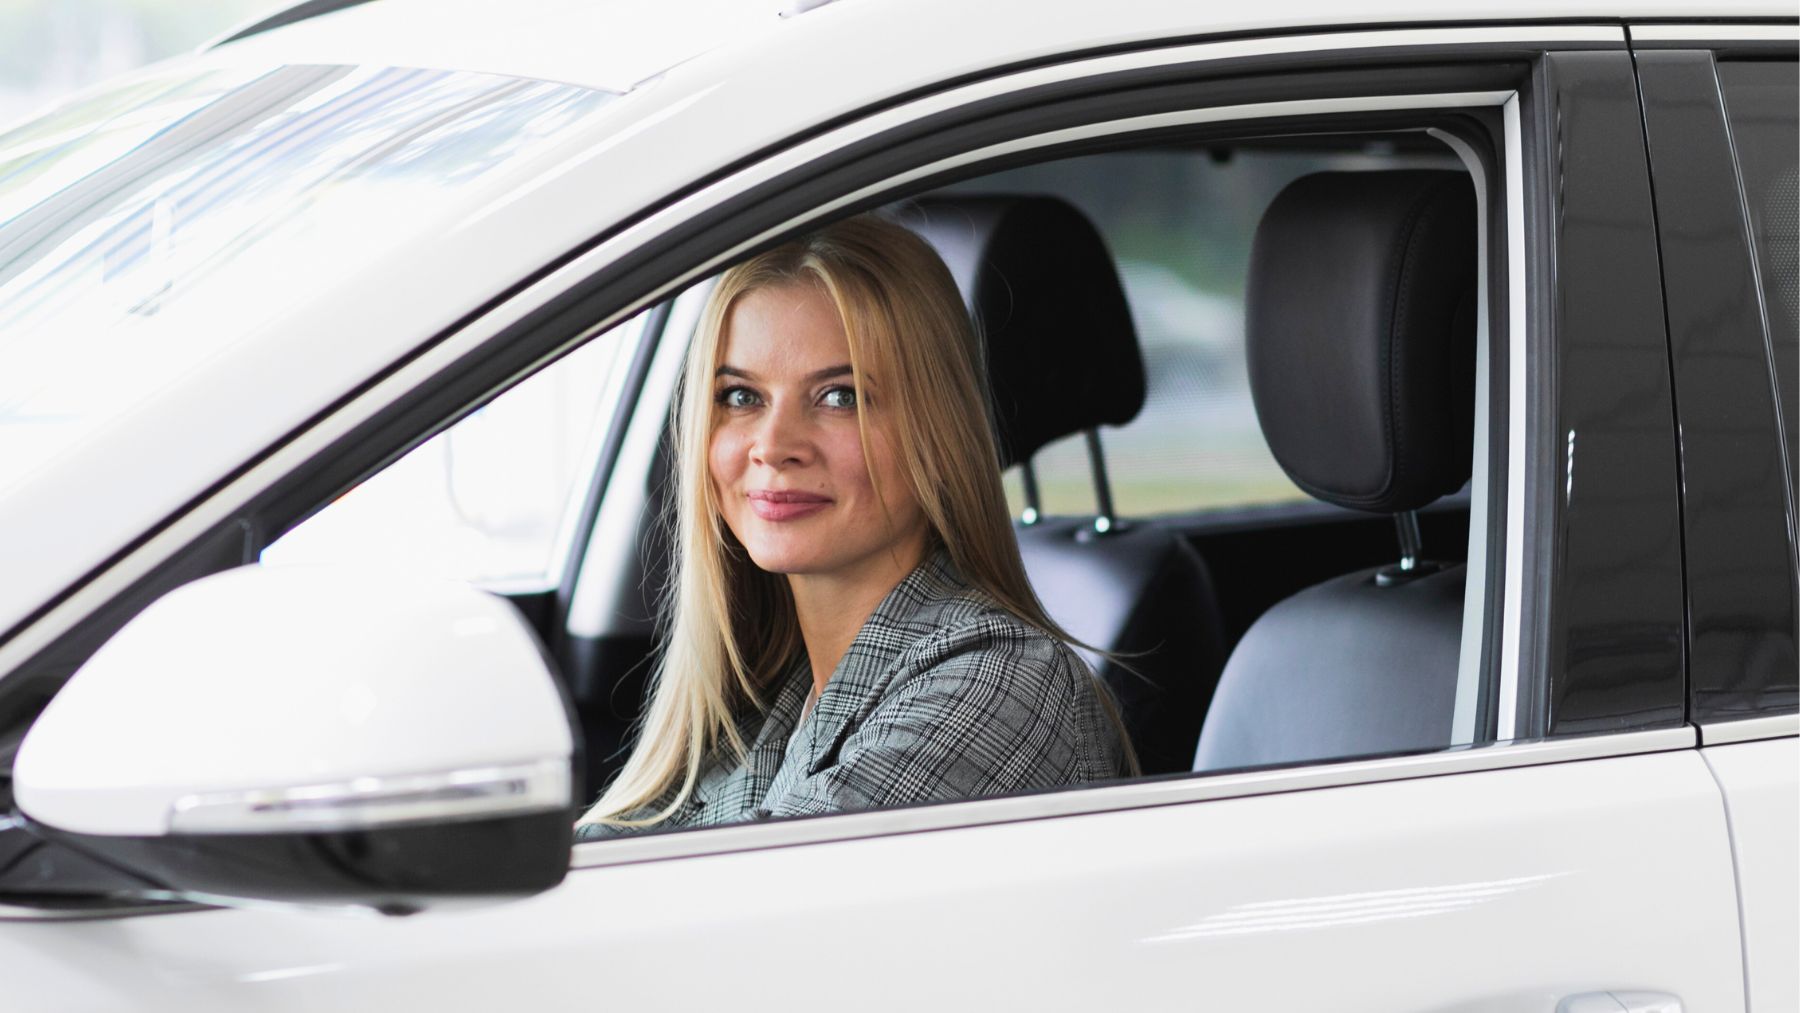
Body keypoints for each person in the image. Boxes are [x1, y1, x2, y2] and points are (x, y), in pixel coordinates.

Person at [575, 213, 1130, 839]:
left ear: (935, 431)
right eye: (740, 396)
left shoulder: (1004, 684)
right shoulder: (771, 697)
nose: (774, 445)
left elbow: (739, 912)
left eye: (840, 396)